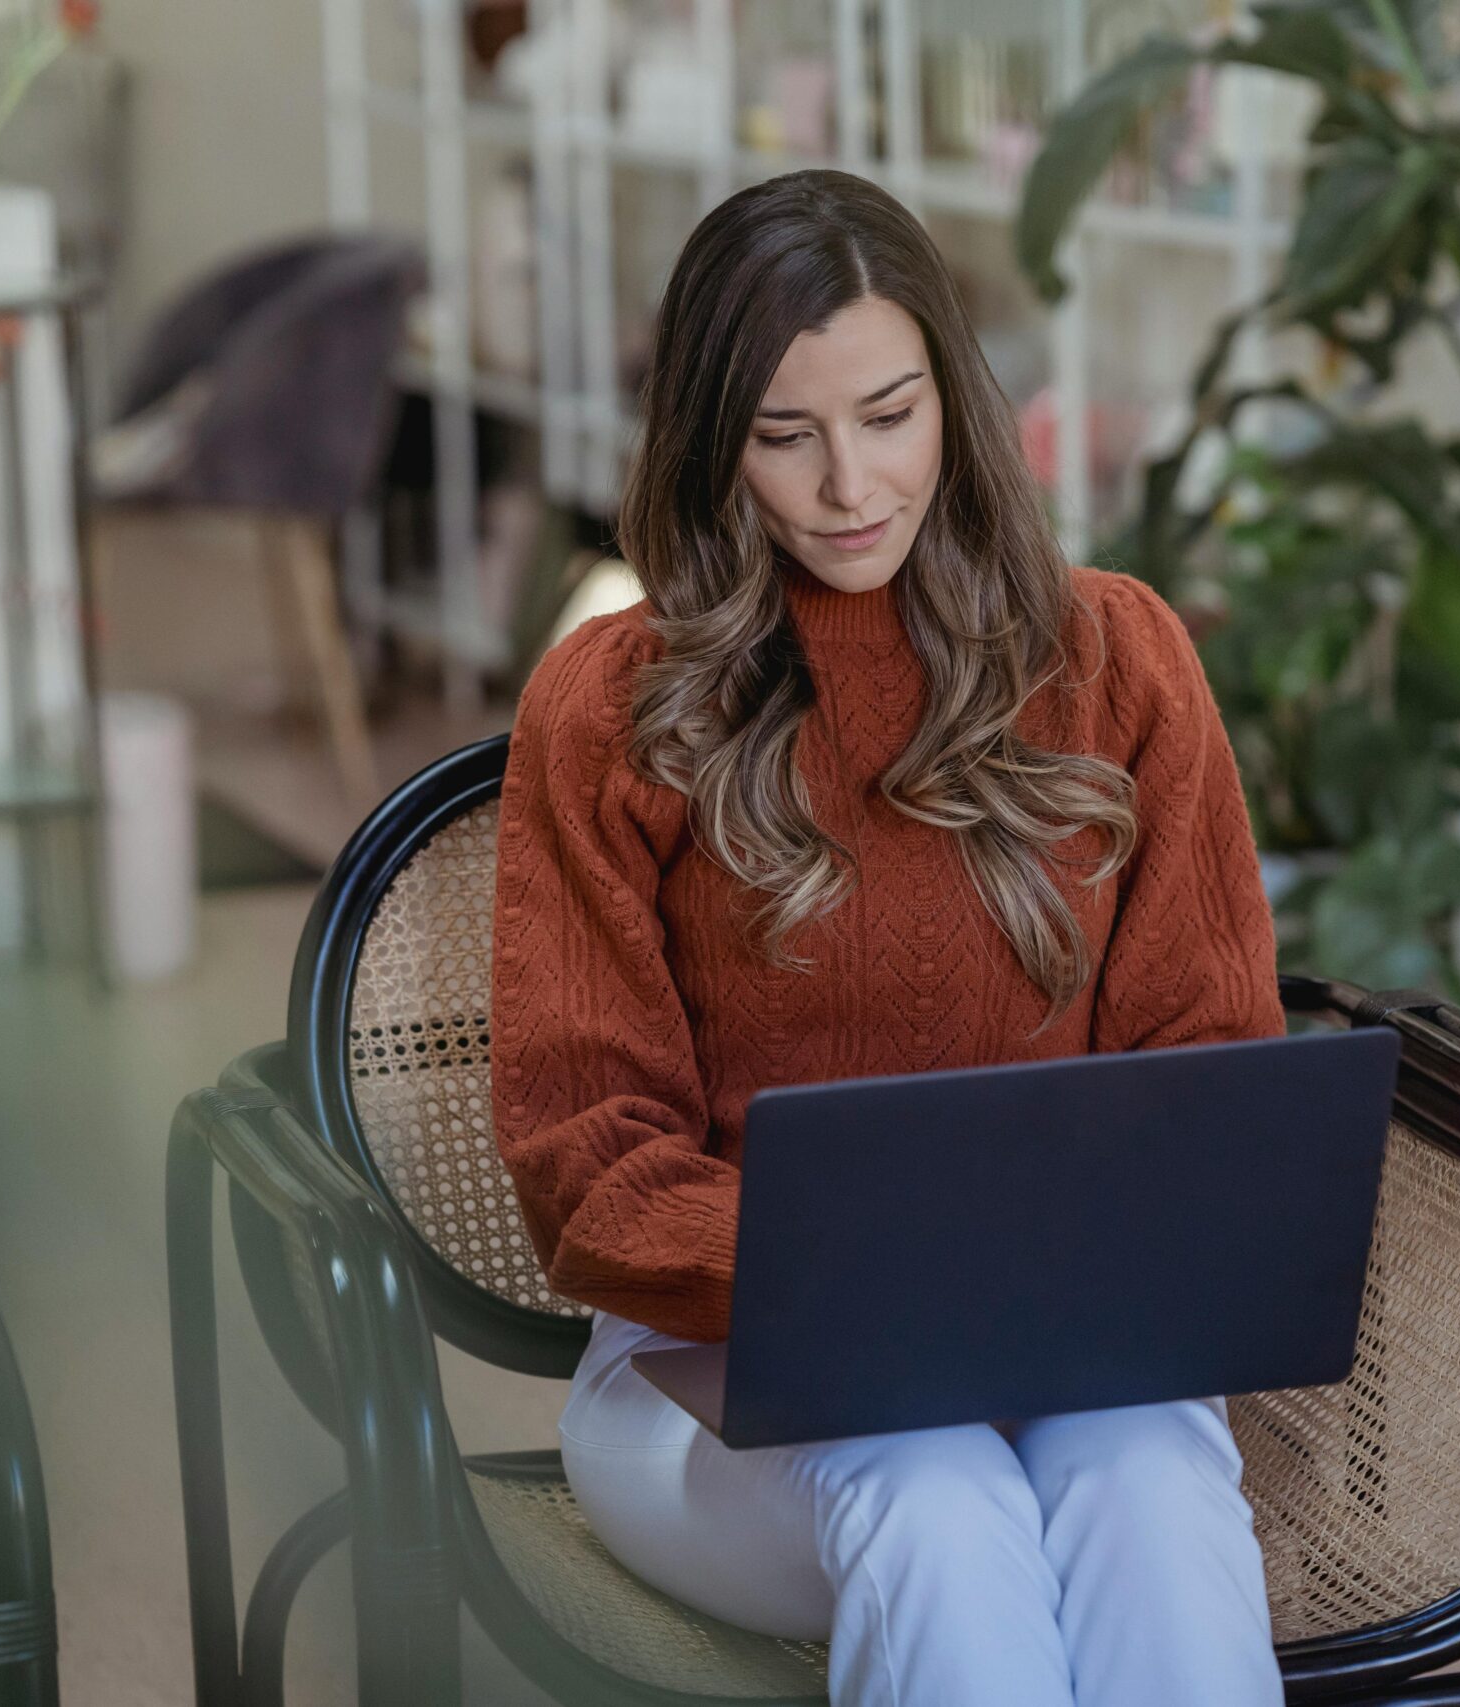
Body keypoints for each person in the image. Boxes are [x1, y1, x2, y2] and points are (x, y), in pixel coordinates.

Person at [487, 168, 1287, 1707]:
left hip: (1065, 1354)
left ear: (957, 401)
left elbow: (1207, 1070)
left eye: (890, 415)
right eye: (785, 438)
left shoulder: (1116, 658)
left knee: (1151, 1479)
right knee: (936, 1492)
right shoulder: (610, 706)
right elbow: (585, 1156)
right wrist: (873, 1287)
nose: (849, 485)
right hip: (703, 1375)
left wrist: (1020, 1298)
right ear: (713, 447)